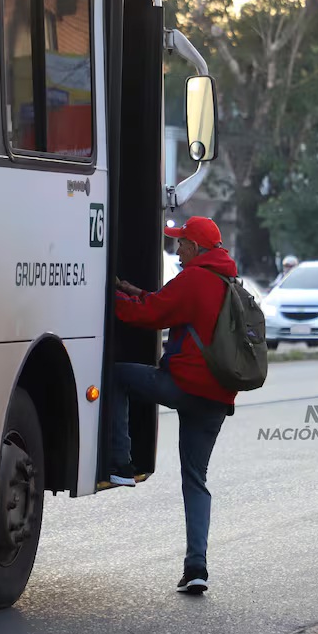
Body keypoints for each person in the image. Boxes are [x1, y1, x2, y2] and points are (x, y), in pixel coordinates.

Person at [109, 215, 236, 594]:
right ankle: (197, 567)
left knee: (116, 376)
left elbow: (150, 315)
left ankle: (120, 463)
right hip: (218, 397)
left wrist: (110, 296)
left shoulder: (194, 278)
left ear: (195, 247)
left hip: (182, 386)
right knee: (196, 481)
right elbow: (164, 303)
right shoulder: (228, 280)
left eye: (181, 243)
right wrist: (133, 289)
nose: (177, 250)